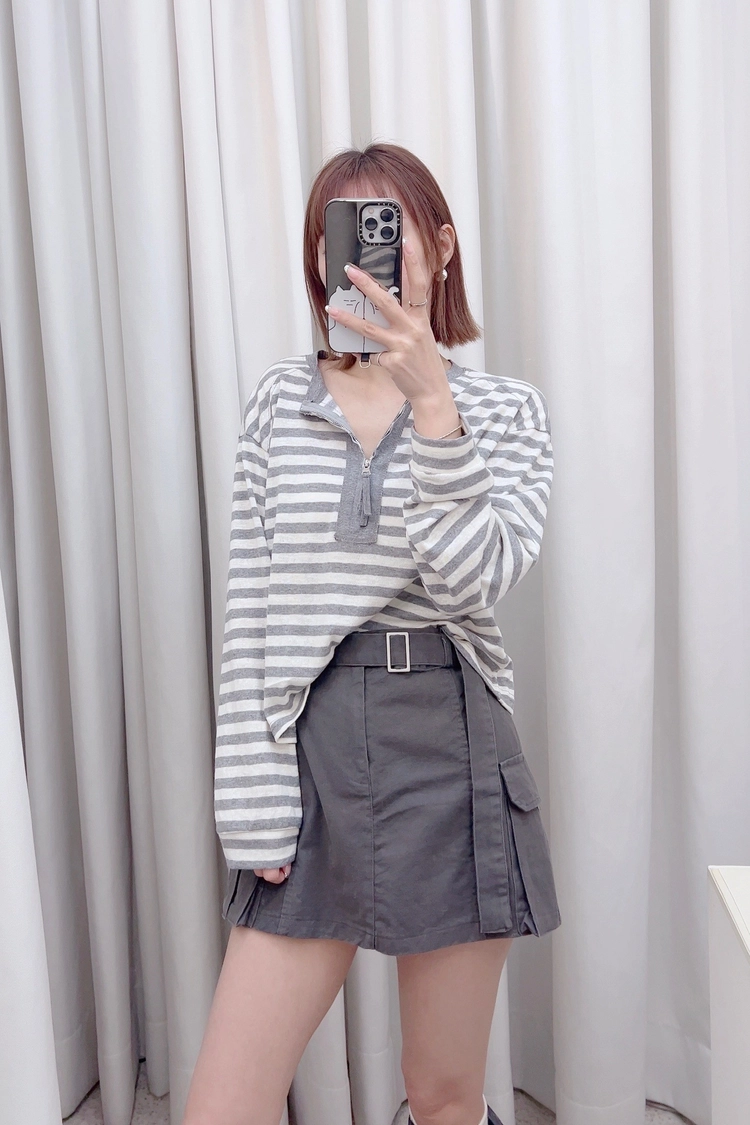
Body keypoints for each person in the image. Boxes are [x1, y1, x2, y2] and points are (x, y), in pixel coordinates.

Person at [182, 143, 561, 1125]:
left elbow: (477, 578)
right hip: (316, 747)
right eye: (338, 236)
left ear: (439, 246)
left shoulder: (504, 411)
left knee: (442, 1096)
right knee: (224, 1104)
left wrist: (434, 405)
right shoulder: (280, 403)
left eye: (384, 230)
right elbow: (251, 610)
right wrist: (251, 799)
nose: (357, 257)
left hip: (453, 743)